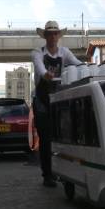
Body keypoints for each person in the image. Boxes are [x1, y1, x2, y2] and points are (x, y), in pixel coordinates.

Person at [31, 20, 81, 187]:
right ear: (45, 36)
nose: (52, 36)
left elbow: (77, 64)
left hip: (59, 100)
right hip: (42, 101)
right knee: (45, 139)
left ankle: (64, 171)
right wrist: (46, 74)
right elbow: (40, 68)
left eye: (55, 33)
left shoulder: (64, 52)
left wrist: (88, 68)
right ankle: (47, 174)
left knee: (65, 136)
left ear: (58, 36)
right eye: (49, 33)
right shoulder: (38, 52)